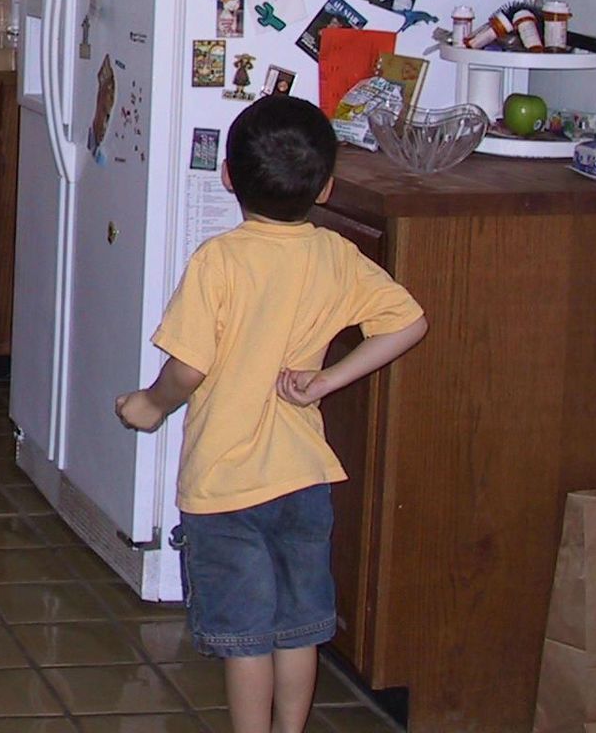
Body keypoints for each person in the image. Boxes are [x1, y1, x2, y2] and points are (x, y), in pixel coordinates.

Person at [115, 98, 427, 733]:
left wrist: (148, 405)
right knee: (298, 629)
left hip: (225, 487)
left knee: (247, 638)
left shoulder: (220, 261)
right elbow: (408, 321)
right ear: (328, 187)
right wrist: (324, 381)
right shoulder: (334, 255)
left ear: (227, 175)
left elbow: (188, 370)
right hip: (304, 478)